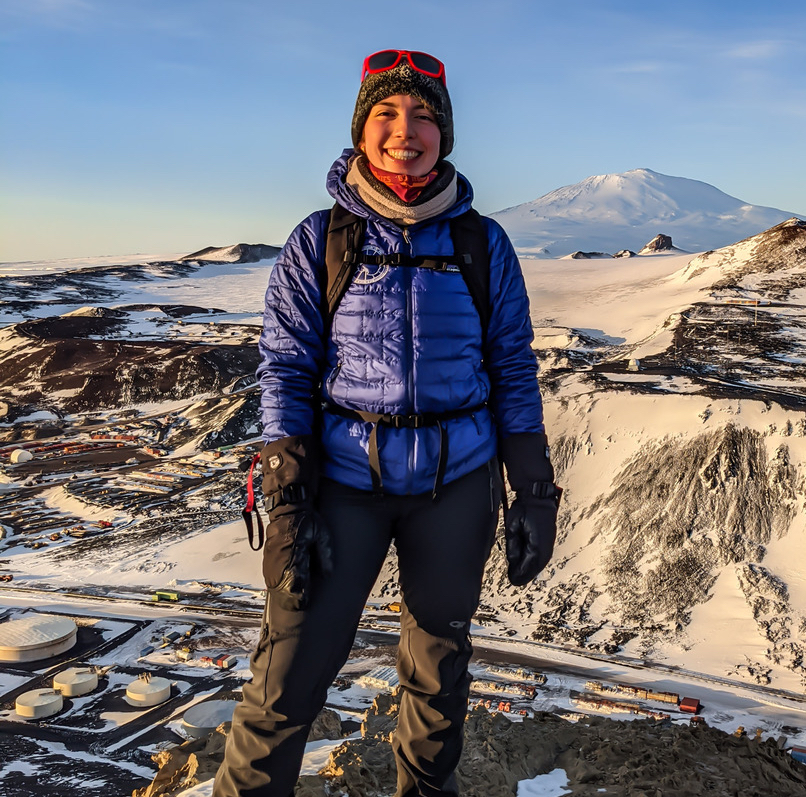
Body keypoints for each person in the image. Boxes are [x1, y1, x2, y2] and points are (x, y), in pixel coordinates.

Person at [214, 49, 561, 797]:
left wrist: (532, 488)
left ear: (446, 133)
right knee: (290, 668)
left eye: (425, 115)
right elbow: (286, 368)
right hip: (344, 481)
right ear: (362, 130)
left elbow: (511, 366)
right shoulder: (322, 239)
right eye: (388, 114)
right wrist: (286, 495)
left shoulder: (481, 244)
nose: (408, 130)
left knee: (438, 668)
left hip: (456, 482)